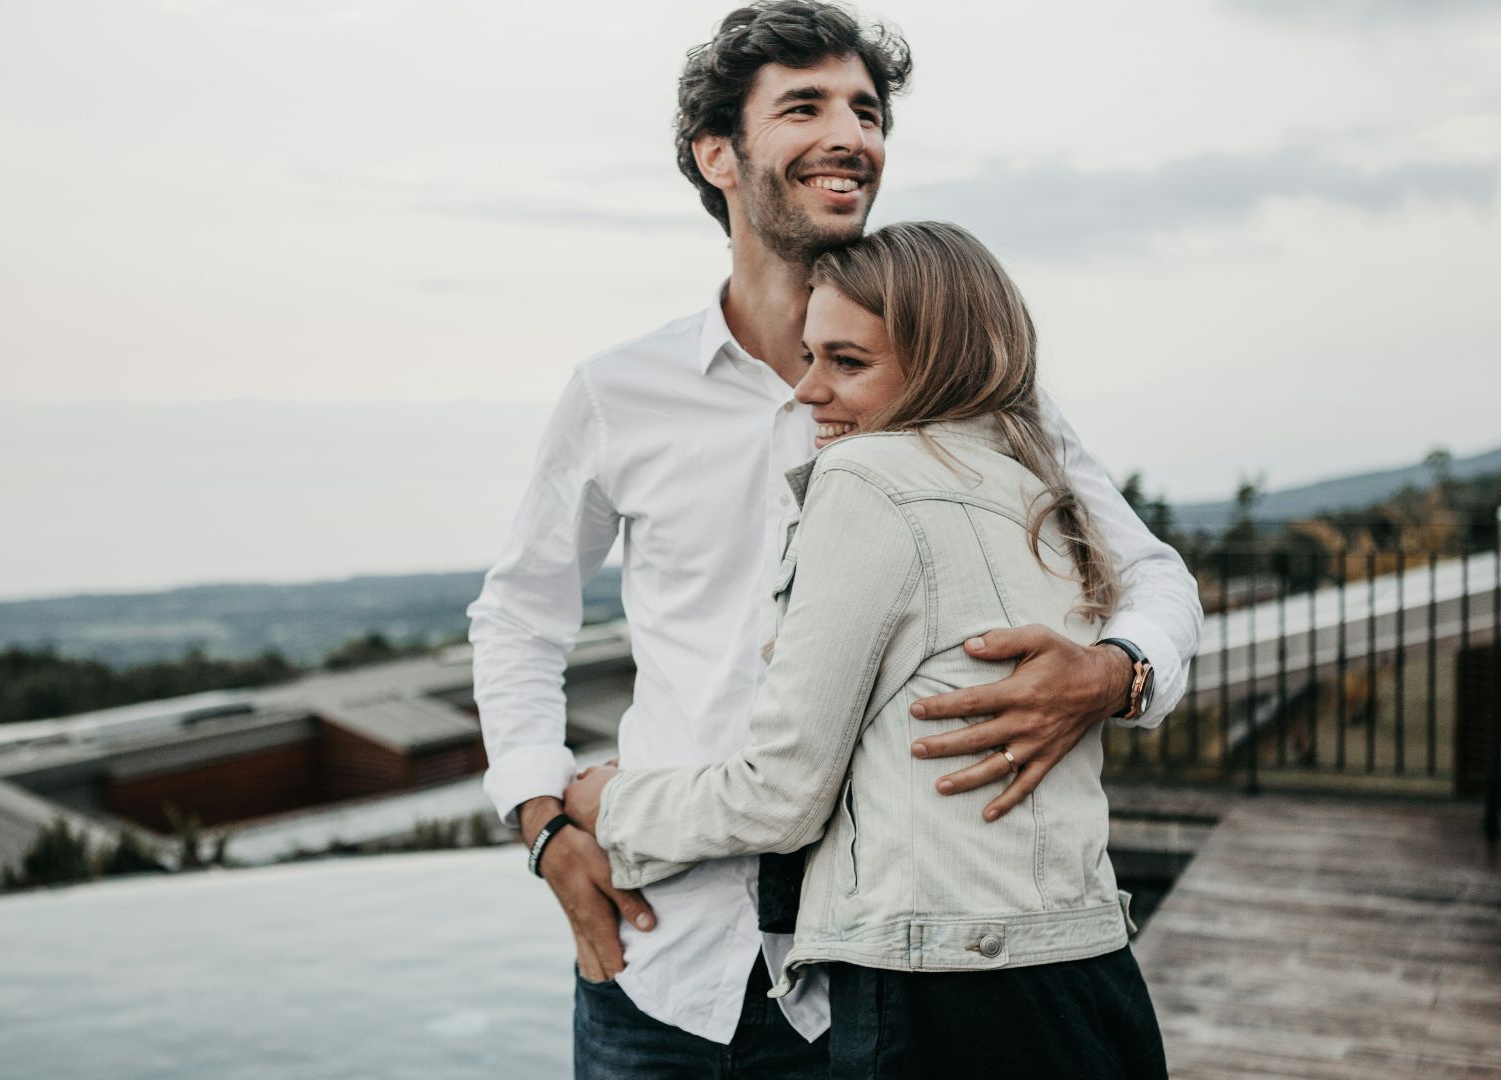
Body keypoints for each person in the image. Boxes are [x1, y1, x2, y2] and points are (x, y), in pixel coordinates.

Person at [467, 4, 1201, 1076]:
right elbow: (520, 616)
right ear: (716, 153)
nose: (850, 135)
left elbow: (1151, 574)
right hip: (658, 958)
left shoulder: (977, 394)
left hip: (870, 987)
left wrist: (1115, 673)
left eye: (866, 110)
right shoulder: (617, 393)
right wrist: (543, 822)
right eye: (804, 107)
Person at [560, 220, 1174, 1078]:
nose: (808, 392)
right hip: (1088, 969)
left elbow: (781, 796)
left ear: (942, 364)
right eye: (812, 357)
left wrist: (607, 805)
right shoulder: (1036, 484)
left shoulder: (864, 479)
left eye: (847, 364)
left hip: (941, 991)